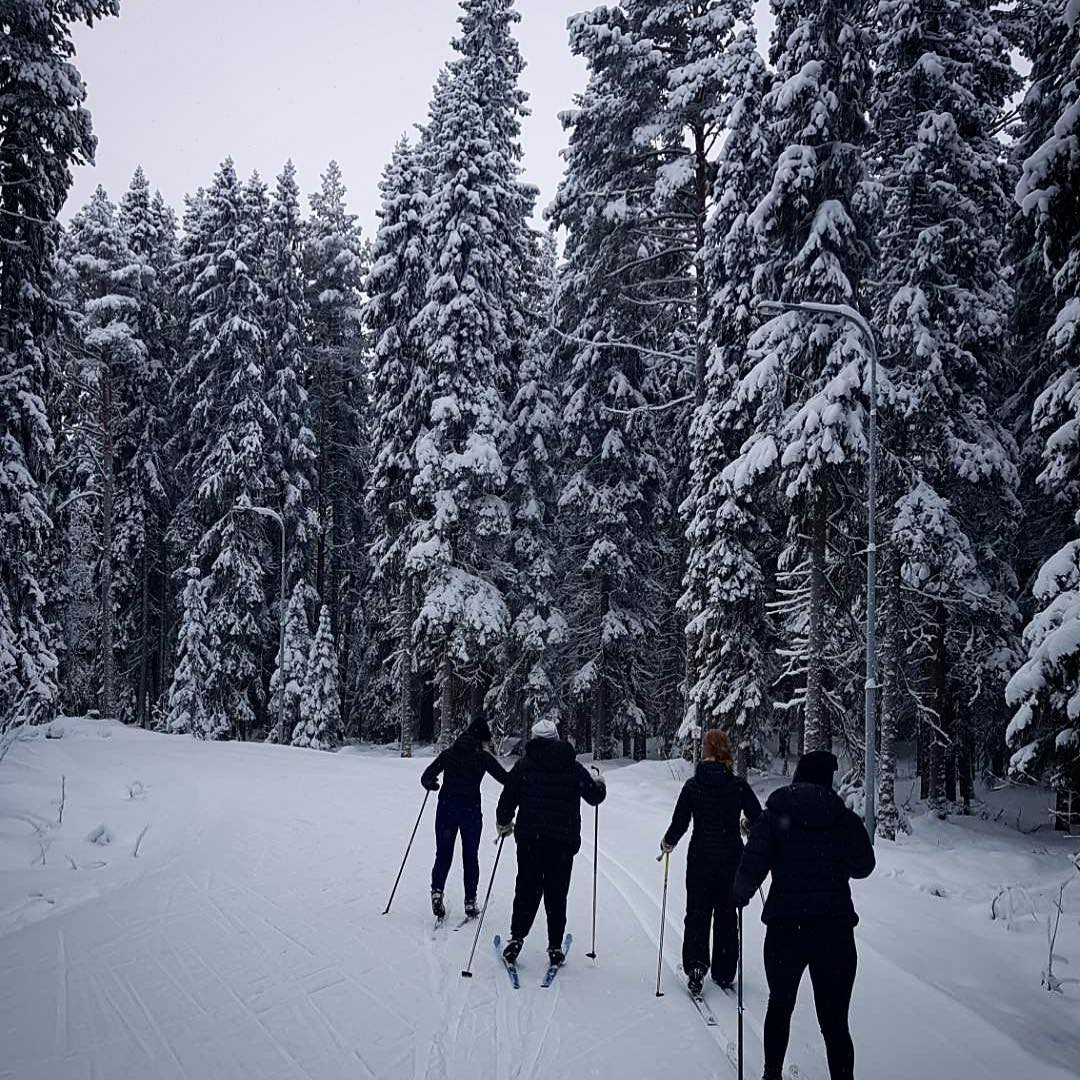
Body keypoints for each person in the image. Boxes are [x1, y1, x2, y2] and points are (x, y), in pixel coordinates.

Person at [733, 750, 876, 1080]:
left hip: (786, 930)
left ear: (798, 775)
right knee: (835, 1021)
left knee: (780, 1005)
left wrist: (739, 896)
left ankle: (771, 1073)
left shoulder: (775, 815)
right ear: (828, 780)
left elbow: (752, 865)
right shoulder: (843, 819)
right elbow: (864, 867)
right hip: (835, 932)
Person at [495, 717, 607, 969]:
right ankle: (555, 946)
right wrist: (599, 784)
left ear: (534, 740)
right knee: (557, 893)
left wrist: (504, 821)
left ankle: (516, 938)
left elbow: (508, 796)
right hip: (562, 841)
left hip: (530, 840)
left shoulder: (524, 766)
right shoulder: (572, 766)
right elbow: (594, 796)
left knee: (526, 888)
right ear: (556, 738)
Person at [661, 729, 762, 995]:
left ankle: (696, 967)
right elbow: (759, 819)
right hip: (731, 859)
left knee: (697, 912)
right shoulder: (738, 785)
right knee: (727, 915)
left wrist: (667, 843)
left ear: (706, 752)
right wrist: (745, 825)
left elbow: (680, 823)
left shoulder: (694, 786)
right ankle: (725, 971)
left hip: (700, 859)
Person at [421, 717, 508, 920]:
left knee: (443, 853)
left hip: (446, 810)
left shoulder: (448, 754)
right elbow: (506, 779)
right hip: (470, 812)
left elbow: (426, 777)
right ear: (481, 738)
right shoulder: (482, 758)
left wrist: (432, 784)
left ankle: (437, 891)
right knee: (470, 856)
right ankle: (470, 901)